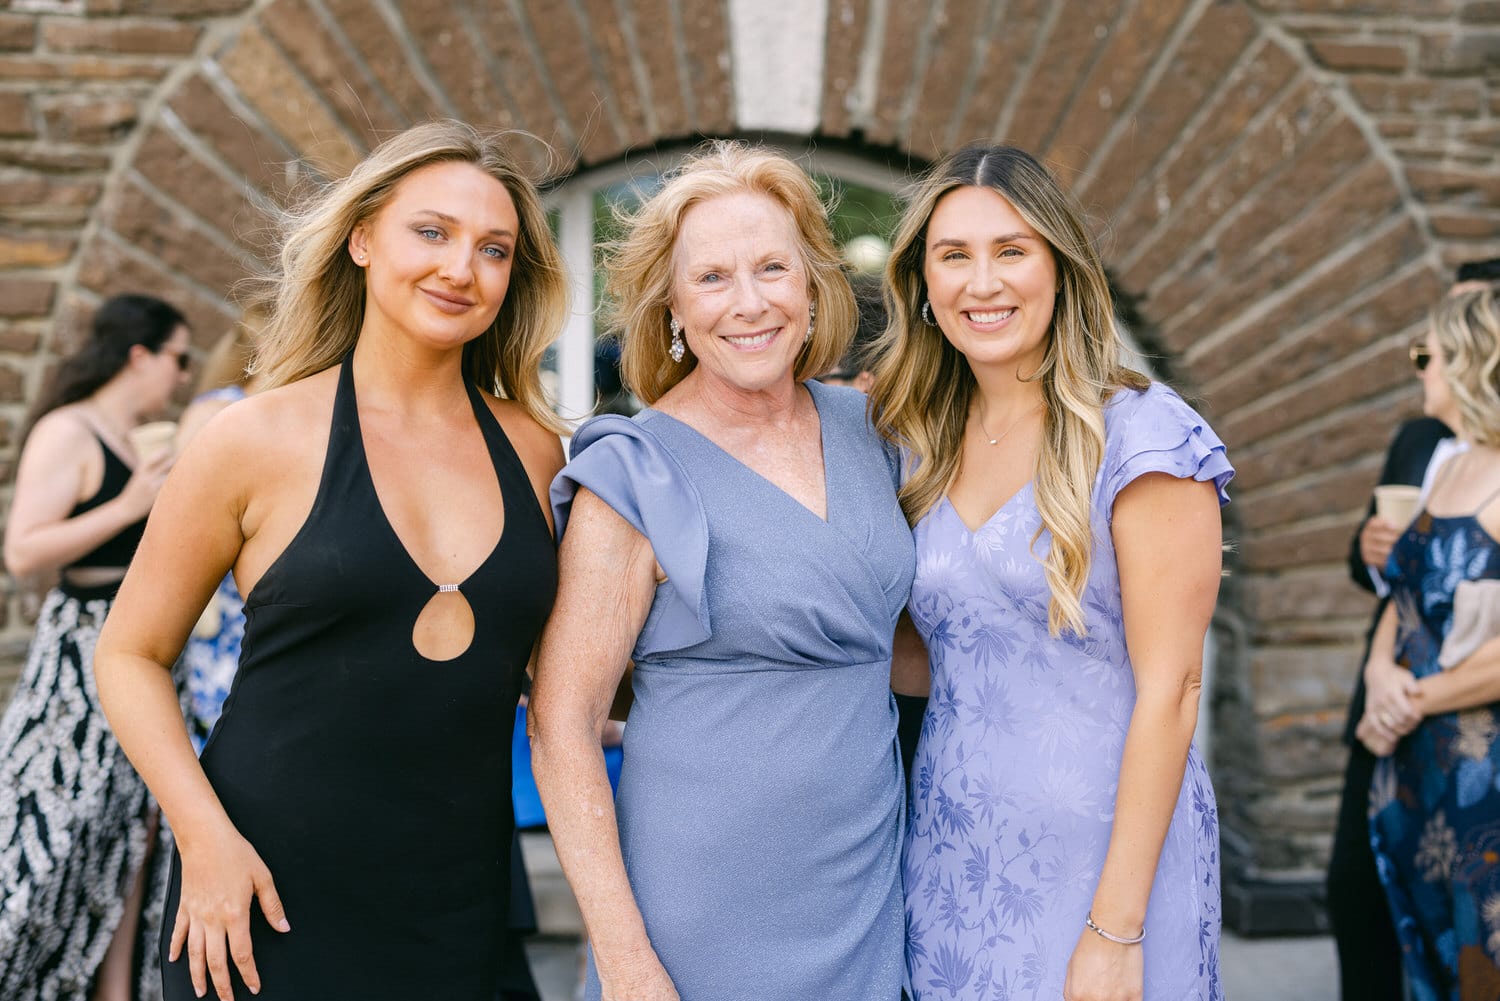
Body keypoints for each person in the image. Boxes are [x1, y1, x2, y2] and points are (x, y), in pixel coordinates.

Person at [92, 119, 568, 1001]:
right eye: (431, 232)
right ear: (360, 240)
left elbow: (573, 679)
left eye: (493, 249)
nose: (461, 269)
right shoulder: (253, 439)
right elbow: (128, 654)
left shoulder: (540, 454)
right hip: (258, 897)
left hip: (462, 902)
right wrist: (204, 837)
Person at [529, 141, 915, 1001]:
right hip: (699, 899)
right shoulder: (636, 469)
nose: (749, 304)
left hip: (865, 879)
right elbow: (564, 724)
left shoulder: (873, 431)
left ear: (812, 284)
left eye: (772, 268)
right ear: (671, 303)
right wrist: (625, 958)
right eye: (712, 278)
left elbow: (913, 639)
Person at [869, 144, 1233, 1001]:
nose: (981, 282)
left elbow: (1173, 687)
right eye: (953, 255)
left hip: (1109, 861)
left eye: (1012, 251)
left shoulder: (1142, 437)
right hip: (955, 852)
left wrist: (1115, 928)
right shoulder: (915, 436)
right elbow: (929, 652)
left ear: (1061, 269)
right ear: (924, 282)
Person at [0, 293, 191, 1001]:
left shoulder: (137, 436)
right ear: (139, 354)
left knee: (137, 826)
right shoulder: (68, 430)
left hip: (145, 644)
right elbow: (24, 550)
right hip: (82, 654)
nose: (181, 374)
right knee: (57, 824)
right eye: (177, 356)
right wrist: (130, 504)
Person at [1323, 258, 1500, 1001]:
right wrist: (1379, 677)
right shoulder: (1447, 462)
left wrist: (1417, 697)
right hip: (1410, 758)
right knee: (1408, 936)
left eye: (1430, 354)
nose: (1419, 369)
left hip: (1477, 766)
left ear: (1470, 362)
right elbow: (1398, 593)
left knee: (1477, 952)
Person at [174, 305, 269, 753]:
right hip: (222, 585)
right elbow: (177, 503)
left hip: (270, 583)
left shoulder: (298, 411)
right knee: (224, 721)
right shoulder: (218, 409)